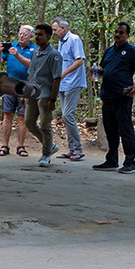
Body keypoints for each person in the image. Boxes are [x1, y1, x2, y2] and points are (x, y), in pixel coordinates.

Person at [93, 21, 135, 172]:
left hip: (123, 95)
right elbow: (105, 70)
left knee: (125, 129)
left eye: (121, 32)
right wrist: (97, 72)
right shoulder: (109, 51)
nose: (117, 34)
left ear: (127, 35)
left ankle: (130, 162)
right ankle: (111, 159)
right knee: (110, 130)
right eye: (116, 32)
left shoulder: (132, 51)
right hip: (108, 95)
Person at [22, 23, 63, 167]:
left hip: (45, 94)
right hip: (32, 92)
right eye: (36, 34)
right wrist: (24, 94)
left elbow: (57, 78)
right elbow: (30, 75)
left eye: (40, 35)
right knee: (29, 122)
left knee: (45, 125)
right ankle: (50, 145)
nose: (37, 37)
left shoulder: (54, 55)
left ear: (48, 37)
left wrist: (53, 99)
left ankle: (46, 155)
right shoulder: (34, 53)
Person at [0, 25, 35, 157]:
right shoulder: (11, 46)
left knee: (22, 117)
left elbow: (32, 65)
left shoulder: (34, 49)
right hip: (9, 86)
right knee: (7, 115)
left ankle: (20, 146)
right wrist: (0, 52)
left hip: (25, 87)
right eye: (20, 33)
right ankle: (5, 145)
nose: (21, 36)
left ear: (31, 36)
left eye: (25, 34)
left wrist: (17, 55)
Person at [51, 17, 86, 161]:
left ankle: (77, 149)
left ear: (63, 28)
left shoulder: (74, 39)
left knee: (67, 115)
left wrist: (64, 73)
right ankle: (72, 149)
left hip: (73, 82)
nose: (53, 32)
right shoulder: (61, 42)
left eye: (55, 29)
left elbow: (80, 60)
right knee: (65, 117)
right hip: (63, 84)